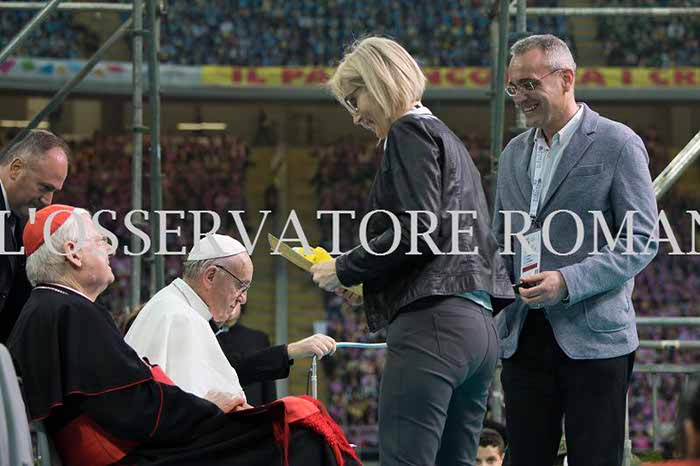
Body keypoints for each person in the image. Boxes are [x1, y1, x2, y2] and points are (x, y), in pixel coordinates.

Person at [8, 204, 360, 466]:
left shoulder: (52, 307)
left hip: (131, 448)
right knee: (304, 432)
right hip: (134, 456)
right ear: (72, 253)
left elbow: (129, 394)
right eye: (101, 240)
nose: (111, 248)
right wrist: (209, 408)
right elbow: (137, 404)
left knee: (298, 422)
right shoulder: (73, 311)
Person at [310, 36, 514, 465]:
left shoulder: (407, 131)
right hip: (479, 329)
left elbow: (418, 228)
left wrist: (344, 268)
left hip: (434, 326)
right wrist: (371, 284)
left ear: (378, 81)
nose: (355, 115)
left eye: (354, 99)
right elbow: (440, 236)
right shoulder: (449, 140)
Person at [492, 34, 658, 466]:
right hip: (523, 335)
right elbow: (501, 241)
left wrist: (567, 281)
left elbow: (641, 239)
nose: (521, 97)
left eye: (530, 84)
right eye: (514, 87)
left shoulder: (617, 143)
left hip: (595, 338)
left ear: (566, 78)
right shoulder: (512, 154)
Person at [125, 233, 337, 405]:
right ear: (210, 276)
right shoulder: (180, 317)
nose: (243, 298)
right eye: (240, 286)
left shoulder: (178, 309)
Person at [0, 129, 69, 343]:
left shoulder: (20, 217)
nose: (48, 200)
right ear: (16, 168)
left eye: (54, 191)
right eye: (44, 187)